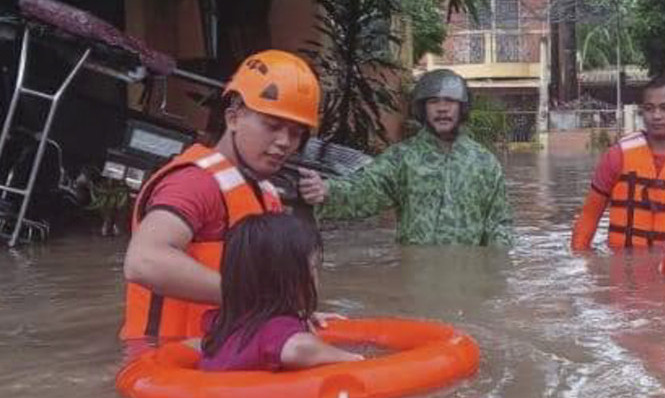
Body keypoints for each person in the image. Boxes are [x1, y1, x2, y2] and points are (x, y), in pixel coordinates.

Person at [121, 50, 323, 340]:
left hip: (220, 356)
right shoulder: (194, 183)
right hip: (166, 360)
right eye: (272, 125)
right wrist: (256, 300)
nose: (284, 142)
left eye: (296, 133)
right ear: (233, 118)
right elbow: (143, 262)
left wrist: (291, 314)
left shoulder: (265, 191)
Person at [299, 69, 514, 246]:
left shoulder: (485, 163)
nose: (442, 109)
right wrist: (326, 191)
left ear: (462, 108)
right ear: (422, 108)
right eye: (433, 101)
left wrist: (493, 277)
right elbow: (365, 189)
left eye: (450, 101)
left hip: (467, 279)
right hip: (416, 277)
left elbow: (499, 224)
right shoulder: (402, 158)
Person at [571, 75, 665, 251]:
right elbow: (589, 217)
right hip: (622, 269)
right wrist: (580, 258)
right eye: (649, 109)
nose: (656, 116)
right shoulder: (616, 156)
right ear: (642, 112)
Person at [200, 213, 362, 371]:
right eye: (313, 267)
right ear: (288, 279)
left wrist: (302, 315)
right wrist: (350, 358)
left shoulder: (221, 322)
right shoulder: (275, 330)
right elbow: (298, 349)